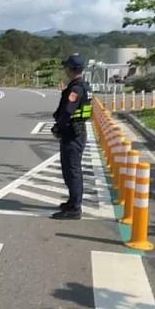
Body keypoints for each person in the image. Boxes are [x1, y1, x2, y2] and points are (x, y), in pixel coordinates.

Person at [51, 53, 92, 220]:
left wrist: (58, 127)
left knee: (72, 171)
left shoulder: (75, 88)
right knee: (69, 169)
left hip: (73, 132)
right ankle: (72, 201)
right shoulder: (83, 85)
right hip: (76, 131)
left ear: (71, 69)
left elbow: (68, 111)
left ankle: (75, 208)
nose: (65, 69)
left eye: (66, 66)